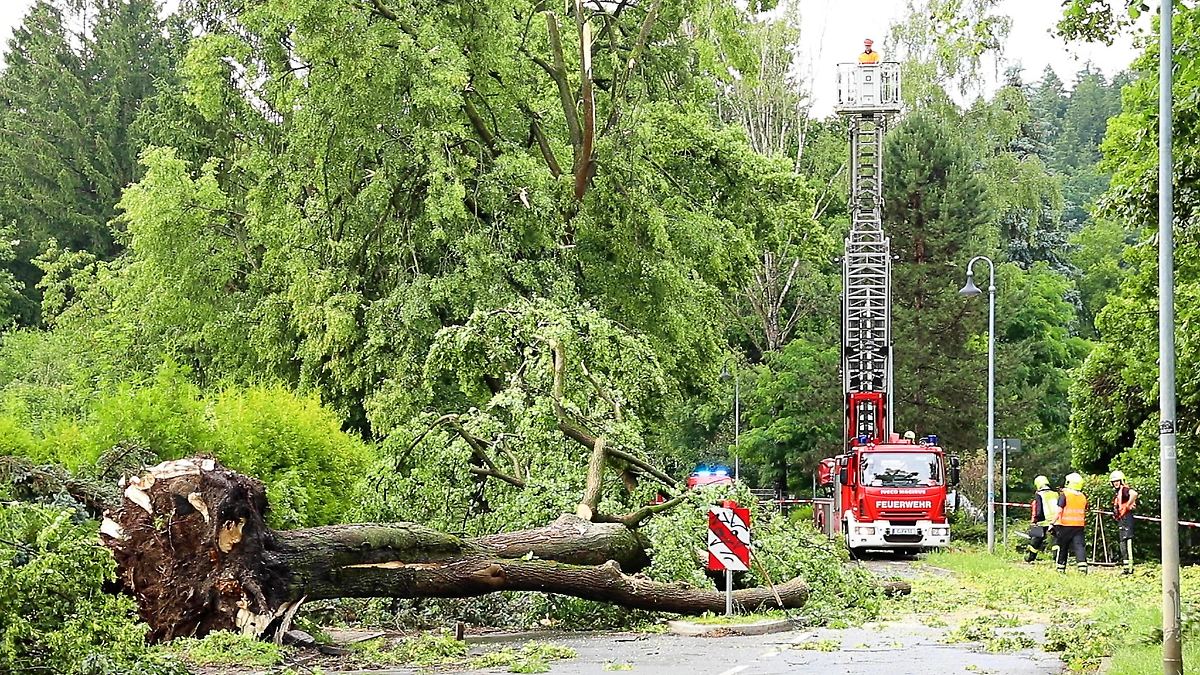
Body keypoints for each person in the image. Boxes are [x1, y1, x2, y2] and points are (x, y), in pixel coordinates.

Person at [1054, 473, 1088, 574]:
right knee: (1079, 546)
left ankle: (1061, 568)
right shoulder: (1082, 496)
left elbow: (1059, 510)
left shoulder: (1064, 495)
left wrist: (1052, 522)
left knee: (1063, 546)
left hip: (1065, 525)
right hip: (1079, 525)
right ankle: (1082, 568)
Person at [1025, 475, 1059, 563]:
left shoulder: (1039, 494)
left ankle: (1030, 558)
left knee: (1036, 539)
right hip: (1056, 519)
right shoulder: (1055, 494)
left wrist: (1035, 520)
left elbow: (1038, 509)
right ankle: (1057, 558)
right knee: (1056, 539)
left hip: (1043, 520)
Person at [1110, 470, 1138, 575]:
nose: (1116, 483)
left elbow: (1134, 494)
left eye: (1117, 481)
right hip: (1122, 519)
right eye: (1114, 482)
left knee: (1128, 542)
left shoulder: (1125, 489)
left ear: (1121, 481)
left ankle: (1130, 568)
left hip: (1127, 518)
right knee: (1122, 543)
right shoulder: (1118, 492)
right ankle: (1126, 568)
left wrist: (1127, 506)